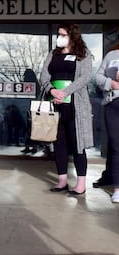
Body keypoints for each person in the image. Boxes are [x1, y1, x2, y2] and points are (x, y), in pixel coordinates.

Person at [40, 23, 93, 195]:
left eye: (63, 34)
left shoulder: (82, 54)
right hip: (54, 104)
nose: (59, 37)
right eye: (58, 34)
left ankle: (81, 183)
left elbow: (85, 77)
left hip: (75, 105)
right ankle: (62, 180)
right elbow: (44, 76)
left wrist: (65, 92)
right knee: (58, 143)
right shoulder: (53, 54)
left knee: (77, 144)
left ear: (72, 36)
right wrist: (52, 90)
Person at [94, 43, 119, 203]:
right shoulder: (111, 55)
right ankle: (117, 188)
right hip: (113, 104)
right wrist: (110, 83)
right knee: (116, 146)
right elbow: (97, 77)